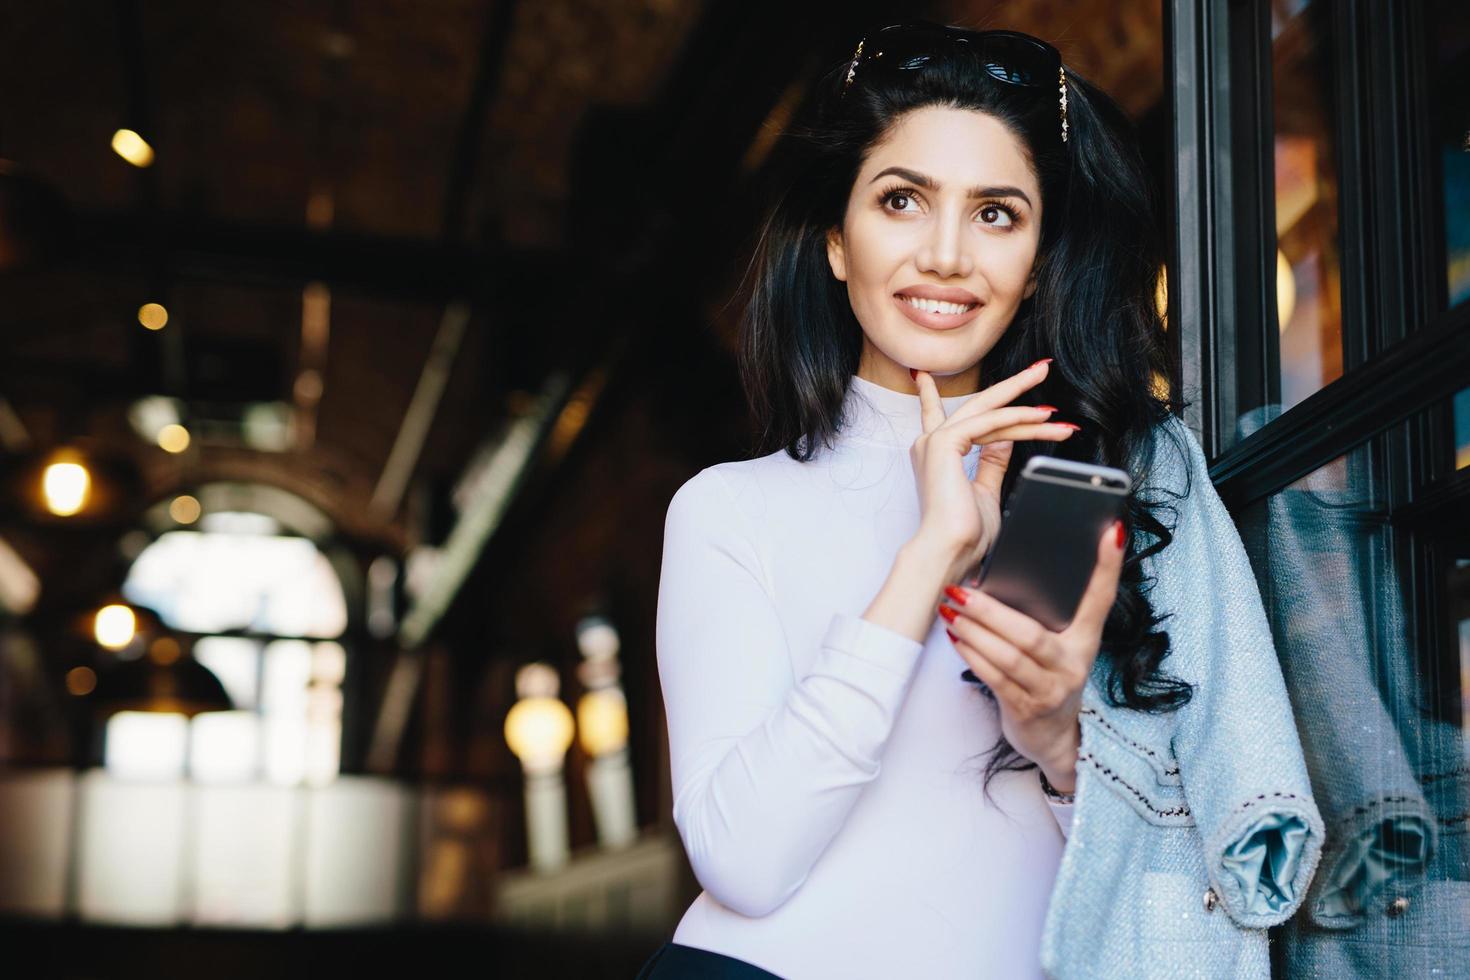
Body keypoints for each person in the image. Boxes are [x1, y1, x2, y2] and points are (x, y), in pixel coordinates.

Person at [641, 21, 1320, 979]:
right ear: (837, 239)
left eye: (996, 213)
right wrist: (928, 559)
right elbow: (745, 864)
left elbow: (1213, 838)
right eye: (903, 200)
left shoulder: (1129, 476)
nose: (947, 255)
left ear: (1040, 256)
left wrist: (1055, 738)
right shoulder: (727, 510)